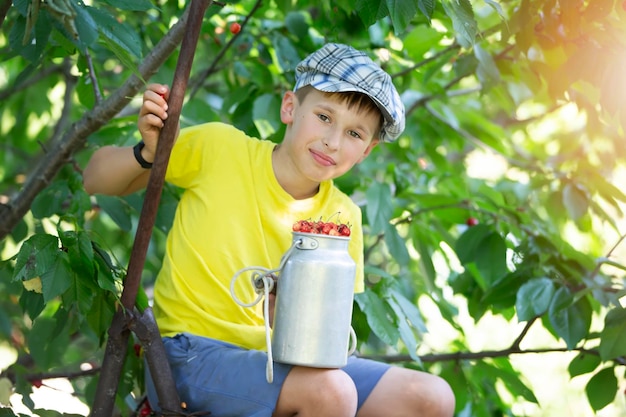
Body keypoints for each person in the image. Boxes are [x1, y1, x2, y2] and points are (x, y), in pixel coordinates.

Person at [83, 43, 455, 417]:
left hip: (277, 362)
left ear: (367, 151)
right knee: (333, 393)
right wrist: (148, 154)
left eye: (355, 134)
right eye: (324, 117)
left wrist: (290, 315)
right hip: (189, 352)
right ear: (290, 107)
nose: (333, 141)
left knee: (431, 397)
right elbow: (94, 178)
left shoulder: (343, 216)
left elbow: (322, 341)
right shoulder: (221, 150)